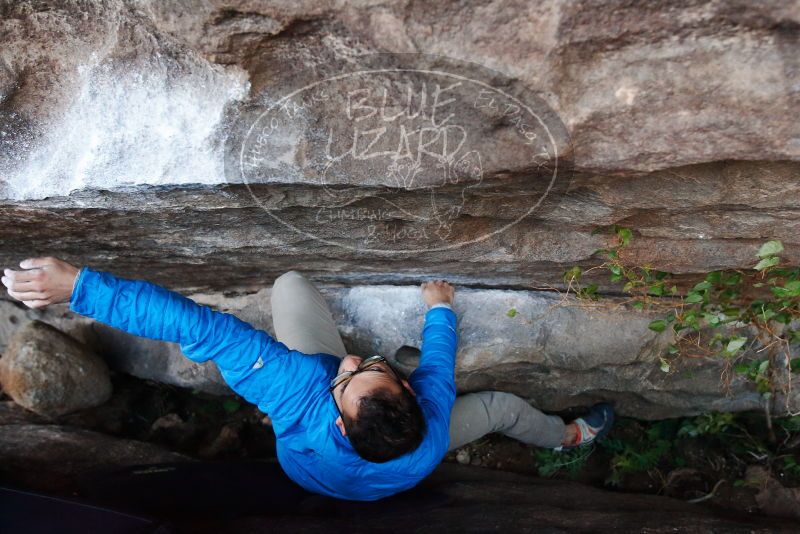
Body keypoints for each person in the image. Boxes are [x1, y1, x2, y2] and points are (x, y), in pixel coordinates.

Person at [2, 257, 614, 501]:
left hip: (311, 462)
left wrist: (82, 288)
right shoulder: (429, 426)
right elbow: (435, 367)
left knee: (291, 286)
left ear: (342, 419)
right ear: (413, 398)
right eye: (362, 370)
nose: (352, 361)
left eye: (353, 377)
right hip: (359, 466)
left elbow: (203, 330)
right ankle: (568, 440)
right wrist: (440, 309)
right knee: (503, 406)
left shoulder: (296, 386)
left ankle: (568, 441)